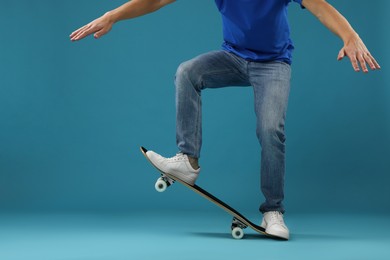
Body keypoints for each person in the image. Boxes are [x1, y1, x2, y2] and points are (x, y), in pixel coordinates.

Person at [70, 0, 380, 240]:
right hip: (232, 58)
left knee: (271, 129)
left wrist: (349, 35)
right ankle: (187, 161)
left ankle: (273, 211)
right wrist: (113, 15)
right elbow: (158, 0)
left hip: (273, 64)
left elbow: (319, 5)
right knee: (188, 72)